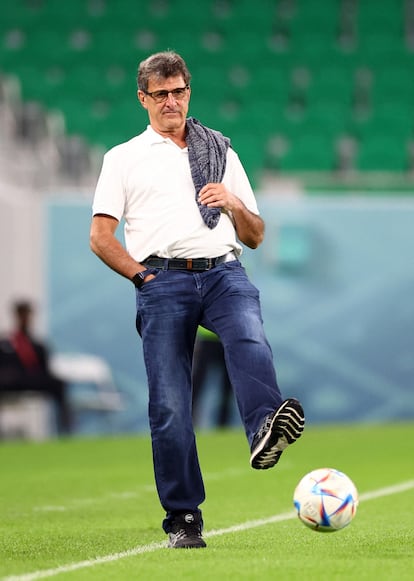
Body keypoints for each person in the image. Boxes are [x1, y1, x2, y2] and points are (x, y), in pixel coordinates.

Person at [90, 51, 305, 549]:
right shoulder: (122, 158)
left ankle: (263, 431)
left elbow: (255, 234)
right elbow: (101, 236)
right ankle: (184, 518)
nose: (172, 101)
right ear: (143, 98)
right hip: (161, 279)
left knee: (249, 337)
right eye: (161, 93)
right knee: (169, 405)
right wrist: (142, 277)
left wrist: (231, 201)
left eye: (179, 91)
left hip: (223, 271)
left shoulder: (220, 152)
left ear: (189, 91)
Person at [0, 300, 72, 435]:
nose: (26, 318)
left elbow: (45, 367)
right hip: (11, 380)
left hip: (32, 379)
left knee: (59, 384)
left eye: (28, 314)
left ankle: (66, 430)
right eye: (22, 314)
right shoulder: (6, 343)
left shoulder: (37, 344)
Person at [192, 326, 233, 428]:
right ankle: (190, 422)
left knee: (227, 389)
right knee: (196, 387)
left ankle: (223, 426)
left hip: (229, 340)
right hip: (207, 341)